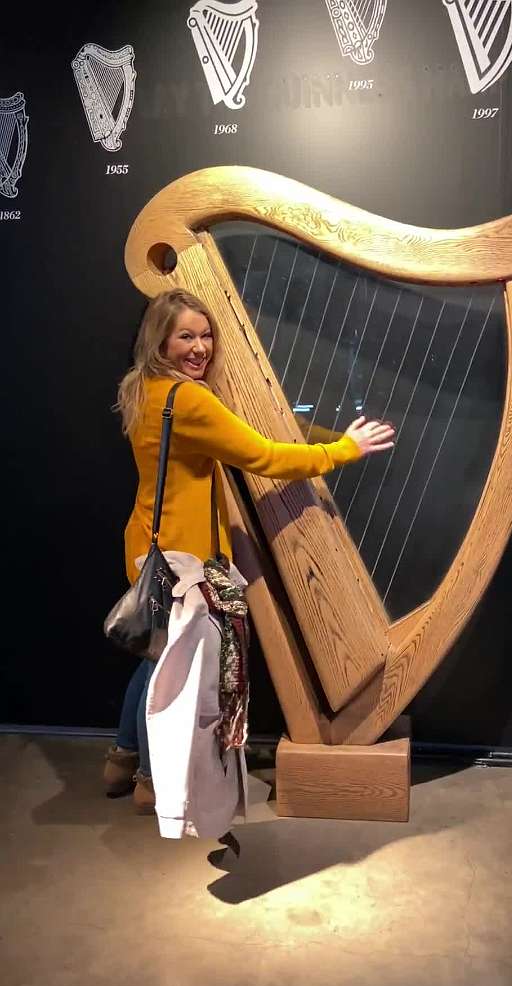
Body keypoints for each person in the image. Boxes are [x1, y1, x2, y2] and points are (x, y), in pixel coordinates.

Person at [103, 288, 395, 813]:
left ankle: (121, 757)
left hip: (149, 541)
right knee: (168, 671)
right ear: (161, 341)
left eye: (206, 335)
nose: (200, 347)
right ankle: (150, 779)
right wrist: (342, 450)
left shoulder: (144, 387)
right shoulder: (190, 400)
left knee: (155, 655)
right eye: (185, 336)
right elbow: (263, 455)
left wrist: (330, 435)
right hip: (184, 555)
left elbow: (262, 428)